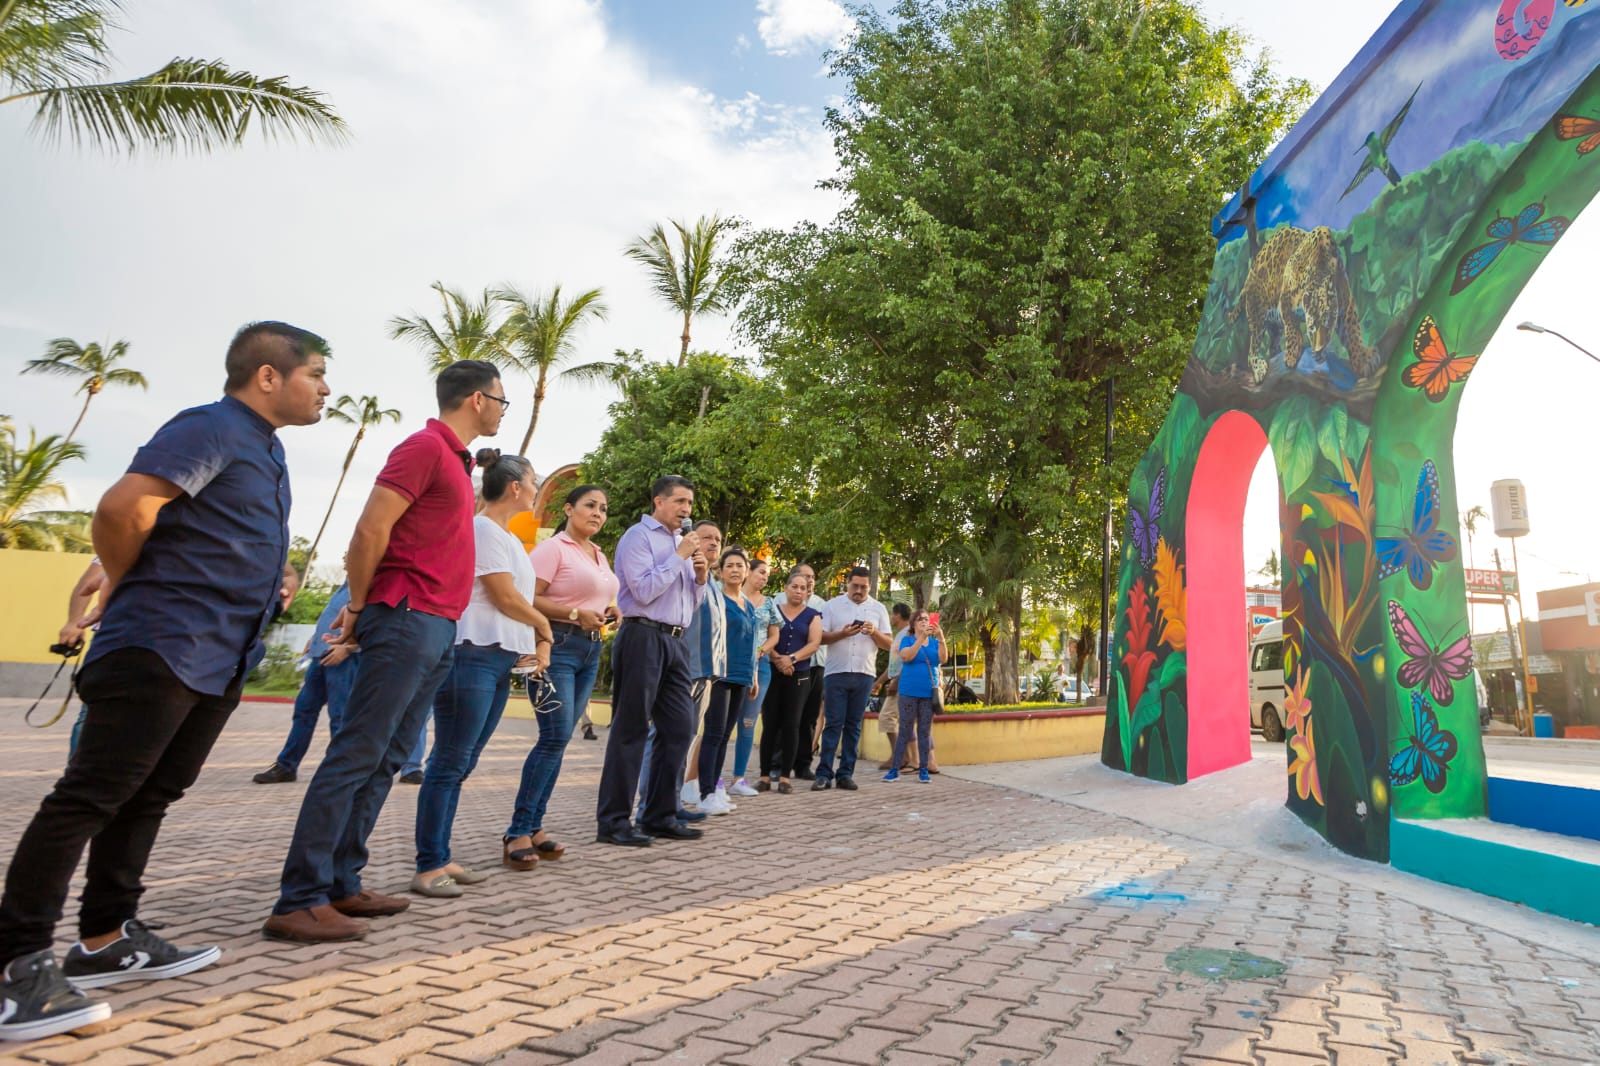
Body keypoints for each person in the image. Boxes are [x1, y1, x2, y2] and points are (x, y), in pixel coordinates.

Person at [0, 322, 327, 1042]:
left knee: (150, 795)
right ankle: (16, 964)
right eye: (316, 374)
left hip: (216, 656)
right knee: (88, 797)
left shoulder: (264, 449)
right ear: (269, 376)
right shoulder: (210, 425)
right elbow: (123, 509)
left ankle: (106, 937)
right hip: (160, 642)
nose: (325, 388)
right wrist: (126, 580)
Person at [266, 359, 506, 942]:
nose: (502, 408)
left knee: (389, 756)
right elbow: (370, 531)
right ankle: (298, 898)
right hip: (404, 617)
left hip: (436, 625)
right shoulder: (423, 447)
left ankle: (342, 881)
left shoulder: (456, 461)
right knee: (356, 753)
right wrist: (358, 607)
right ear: (476, 399)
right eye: (501, 399)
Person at [412, 450, 552, 898]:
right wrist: (544, 626)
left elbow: (514, 599)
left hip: (497, 658)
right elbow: (504, 596)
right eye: (533, 481)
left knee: (463, 761)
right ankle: (428, 863)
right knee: (449, 761)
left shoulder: (507, 536)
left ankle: (441, 855)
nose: (535, 488)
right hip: (471, 653)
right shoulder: (483, 528)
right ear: (515, 487)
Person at [503, 484, 619, 871]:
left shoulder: (599, 554)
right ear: (569, 509)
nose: (598, 513)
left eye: (603, 508)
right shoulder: (554, 548)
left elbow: (599, 595)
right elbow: (526, 598)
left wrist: (612, 608)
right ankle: (517, 830)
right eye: (589, 505)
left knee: (561, 739)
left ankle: (534, 826)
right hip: (556, 646)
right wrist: (573, 615)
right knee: (552, 736)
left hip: (590, 648)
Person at [596, 475, 710, 846]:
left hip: (676, 642)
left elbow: (689, 604)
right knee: (630, 729)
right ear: (658, 502)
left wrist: (700, 576)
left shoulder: (683, 544)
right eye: (679, 502)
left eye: (690, 504)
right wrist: (678, 558)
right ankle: (613, 822)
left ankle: (659, 815)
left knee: (679, 727)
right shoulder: (637, 537)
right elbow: (643, 592)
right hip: (642, 635)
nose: (686, 510)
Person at [252, 581, 359, 784]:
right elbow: (332, 616)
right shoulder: (345, 586)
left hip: (343, 659)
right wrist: (314, 639)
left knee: (340, 717)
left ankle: (340, 773)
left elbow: (374, 623)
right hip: (320, 656)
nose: (346, 556)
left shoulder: (366, 583)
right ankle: (286, 766)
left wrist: (349, 648)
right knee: (304, 711)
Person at [812, 566, 893, 791]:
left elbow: (889, 644)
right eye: (855, 586)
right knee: (833, 723)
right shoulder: (832, 606)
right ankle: (824, 774)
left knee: (853, 726)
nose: (859, 590)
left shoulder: (878, 608)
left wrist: (874, 632)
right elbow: (820, 638)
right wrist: (842, 633)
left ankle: (846, 773)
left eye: (863, 587)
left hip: (864, 674)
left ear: (869, 587)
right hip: (836, 672)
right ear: (847, 583)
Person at [697, 548, 760, 813]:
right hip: (720, 674)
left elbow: (753, 640)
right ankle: (705, 793)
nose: (735, 570)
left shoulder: (747, 602)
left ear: (746, 571)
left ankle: (716, 789)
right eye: (729, 566)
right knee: (713, 733)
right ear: (720, 571)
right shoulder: (717, 599)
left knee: (725, 736)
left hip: (742, 675)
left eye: (740, 566)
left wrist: (754, 674)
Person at [672, 519, 725, 814]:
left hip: (706, 672)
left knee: (688, 737)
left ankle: (673, 799)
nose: (714, 542)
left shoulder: (711, 581)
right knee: (673, 737)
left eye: (718, 538)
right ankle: (660, 801)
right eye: (707, 537)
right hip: (686, 667)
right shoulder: (688, 572)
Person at [757, 570, 822, 794]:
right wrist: (777, 659)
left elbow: (814, 643)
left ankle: (785, 777)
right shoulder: (773, 610)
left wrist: (791, 659)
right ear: (786, 588)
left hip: (800, 674)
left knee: (792, 725)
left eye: (803, 588)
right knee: (770, 724)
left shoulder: (813, 615)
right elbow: (765, 636)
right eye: (794, 586)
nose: (798, 591)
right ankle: (765, 776)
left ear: (807, 592)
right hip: (773, 672)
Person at [883, 609, 949, 783]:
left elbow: (943, 659)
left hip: (928, 693)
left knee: (924, 732)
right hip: (908, 692)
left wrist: (941, 637)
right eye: (919, 619)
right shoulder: (907, 640)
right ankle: (894, 769)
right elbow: (907, 656)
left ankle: (924, 770)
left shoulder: (935, 643)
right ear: (913, 624)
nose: (923, 622)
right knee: (905, 730)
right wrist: (921, 639)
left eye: (926, 619)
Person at [728, 557, 773, 796]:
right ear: (749, 572)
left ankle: (739, 779)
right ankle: (709, 780)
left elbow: (774, 635)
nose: (765, 577)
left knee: (748, 723)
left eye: (767, 574)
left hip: (761, 666)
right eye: (761, 572)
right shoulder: (732, 598)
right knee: (722, 724)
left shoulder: (768, 604)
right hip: (732, 664)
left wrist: (761, 651)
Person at [56, 557, 105, 755]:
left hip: (177, 642)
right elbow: (87, 583)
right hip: (115, 636)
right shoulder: (126, 535)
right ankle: (77, 775)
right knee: (94, 709)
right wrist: (74, 622)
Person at [788, 562, 829, 780]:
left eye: (812, 577)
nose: (810, 581)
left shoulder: (822, 605)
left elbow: (826, 635)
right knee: (786, 716)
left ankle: (803, 764)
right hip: (788, 668)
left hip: (816, 667)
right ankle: (778, 763)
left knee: (809, 717)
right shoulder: (779, 601)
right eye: (805, 577)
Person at [873, 602, 914, 770]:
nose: (891, 618)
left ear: (897, 615)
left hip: (903, 683)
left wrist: (895, 682)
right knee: (894, 719)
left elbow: (906, 662)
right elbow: (893, 665)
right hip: (898, 681)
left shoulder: (907, 635)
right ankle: (902, 756)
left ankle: (900, 757)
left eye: (892, 614)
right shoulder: (899, 636)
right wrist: (879, 681)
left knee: (887, 717)